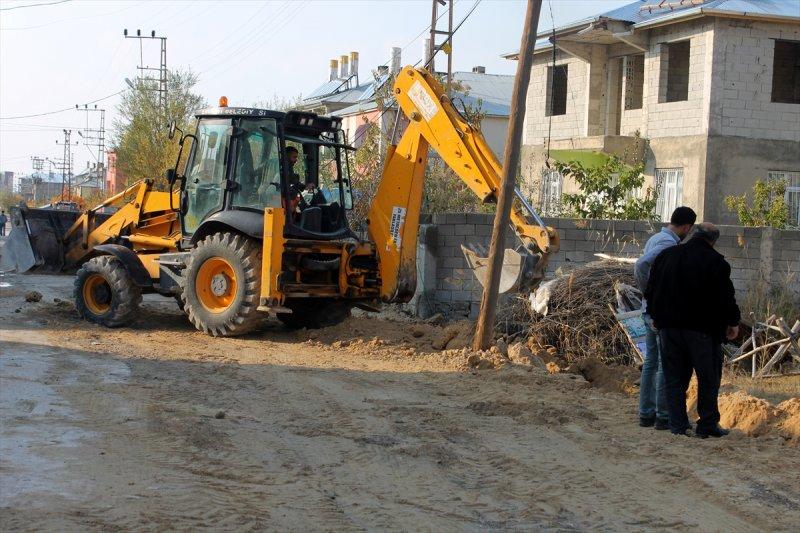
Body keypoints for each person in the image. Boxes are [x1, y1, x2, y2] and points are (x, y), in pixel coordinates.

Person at [646, 222, 740, 438]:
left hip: (669, 329)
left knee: (674, 378)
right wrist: (733, 322)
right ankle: (707, 425)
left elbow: (652, 288)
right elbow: (726, 297)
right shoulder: (716, 262)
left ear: (693, 234)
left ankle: (677, 425)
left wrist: (654, 315)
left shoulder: (666, 256)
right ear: (713, 240)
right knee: (708, 378)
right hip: (702, 332)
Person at [634, 206, 696, 430]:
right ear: (687, 227)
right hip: (658, 313)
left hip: (649, 310)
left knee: (651, 363)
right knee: (663, 364)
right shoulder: (667, 244)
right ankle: (662, 415)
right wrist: (649, 293)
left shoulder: (657, 237)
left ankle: (646, 414)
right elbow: (641, 265)